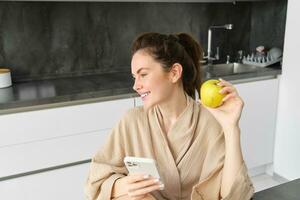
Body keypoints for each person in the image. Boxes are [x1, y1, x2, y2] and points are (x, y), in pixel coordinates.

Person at [84, 32, 254, 200]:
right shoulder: (132, 121)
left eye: (143, 74)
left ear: (174, 73)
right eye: (134, 77)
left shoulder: (211, 120)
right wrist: (123, 185)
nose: (136, 85)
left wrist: (231, 128)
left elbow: (236, 196)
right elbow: (96, 179)